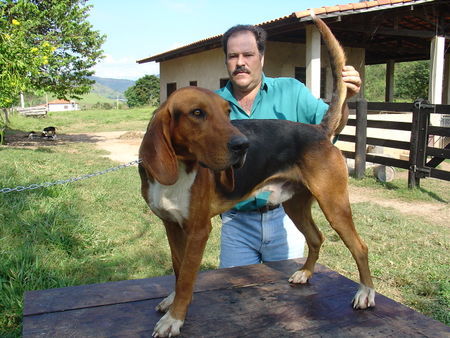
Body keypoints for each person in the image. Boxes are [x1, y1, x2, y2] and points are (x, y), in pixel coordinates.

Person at [216, 24, 361, 268]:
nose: (240, 62)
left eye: (248, 54)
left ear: (262, 57)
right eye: (233, 56)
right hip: (235, 223)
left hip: (284, 217)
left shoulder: (292, 90)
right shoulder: (213, 106)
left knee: (288, 298)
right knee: (236, 299)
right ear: (226, 60)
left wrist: (346, 99)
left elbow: (330, 128)